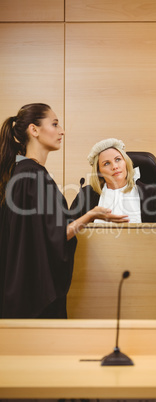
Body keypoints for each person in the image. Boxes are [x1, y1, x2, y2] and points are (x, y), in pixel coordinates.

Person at [0, 104, 128, 318]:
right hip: (34, 299)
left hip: (19, 292)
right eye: (55, 124)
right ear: (34, 130)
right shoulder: (33, 178)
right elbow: (56, 237)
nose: (62, 131)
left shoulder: (22, 173)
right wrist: (91, 215)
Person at [70, 138, 156, 223]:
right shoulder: (86, 196)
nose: (115, 167)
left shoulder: (154, 194)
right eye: (106, 163)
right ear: (99, 171)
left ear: (126, 162)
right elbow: (69, 230)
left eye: (118, 159)